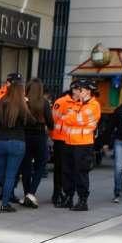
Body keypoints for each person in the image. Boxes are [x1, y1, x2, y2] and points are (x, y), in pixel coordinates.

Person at [0, 77, 31, 213]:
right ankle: (5, 204)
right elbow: (31, 122)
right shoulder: (22, 104)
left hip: (1, 142)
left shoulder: (1, 102)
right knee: (10, 175)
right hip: (17, 142)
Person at [59, 79, 100, 211]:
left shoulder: (94, 106)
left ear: (88, 91)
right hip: (70, 142)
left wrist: (71, 118)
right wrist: (72, 118)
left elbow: (75, 119)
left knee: (81, 172)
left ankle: (83, 200)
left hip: (83, 144)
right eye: (76, 89)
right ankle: (68, 197)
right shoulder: (78, 104)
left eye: (80, 89)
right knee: (67, 172)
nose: (77, 91)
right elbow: (65, 118)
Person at [18, 78, 53, 208]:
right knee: (40, 165)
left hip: (25, 136)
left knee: (26, 167)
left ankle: (27, 193)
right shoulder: (44, 103)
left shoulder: (23, 102)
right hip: (39, 136)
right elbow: (50, 122)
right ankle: (31, 194)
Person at [50, 81, 80, 206]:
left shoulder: (83, 104)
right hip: (60, 140)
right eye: (79, 89)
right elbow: (53, 119)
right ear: (73, 90)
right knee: (59, 168)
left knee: (70, 169)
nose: (82, 92)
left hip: (75, 140)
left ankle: (67, 193)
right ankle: (57, 193)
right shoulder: (61, 102)